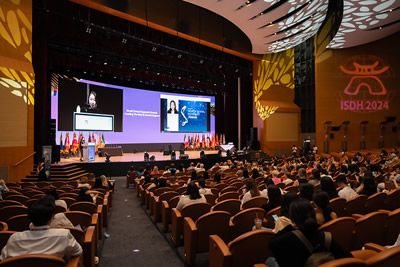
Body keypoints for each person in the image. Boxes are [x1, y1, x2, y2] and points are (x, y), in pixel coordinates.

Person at [269, 198, 350, 267]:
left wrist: (290, 226)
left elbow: (271, 245)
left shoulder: (286, 240)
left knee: (269, 260)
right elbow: (347, 259)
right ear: (313, 214)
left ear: (292, 219)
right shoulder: (327, 236)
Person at [0, 195, 82, 261]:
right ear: (51, 218)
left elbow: (3, 259)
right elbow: (78, 251)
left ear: (30, 218)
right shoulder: (63, 235)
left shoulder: (14, 238)